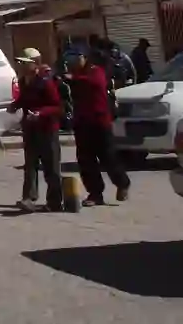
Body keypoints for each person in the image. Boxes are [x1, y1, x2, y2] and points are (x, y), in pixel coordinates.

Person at [67, 49, 130, 206]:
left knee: (108, 157)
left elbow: (95, 83)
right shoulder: (72, 75)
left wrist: (74, 78)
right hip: (82, 123)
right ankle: (95, 194)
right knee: (86, 161)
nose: (74, 61)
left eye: (77, 57)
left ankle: (122, 183)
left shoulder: (96, 71)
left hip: (100, 123)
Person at [8, 49, 63, 212]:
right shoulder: (24, 80)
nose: (21, 66)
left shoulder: (46, 81)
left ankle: (55, 202)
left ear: (35, 63)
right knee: (30, 165)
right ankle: (28, 198)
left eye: (25, 63)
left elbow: (58, 107)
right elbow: (24, 99)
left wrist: (40, 113)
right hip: (30, 129)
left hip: (47, 129)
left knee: (51, 167)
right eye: (20, 63)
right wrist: (15, 105)